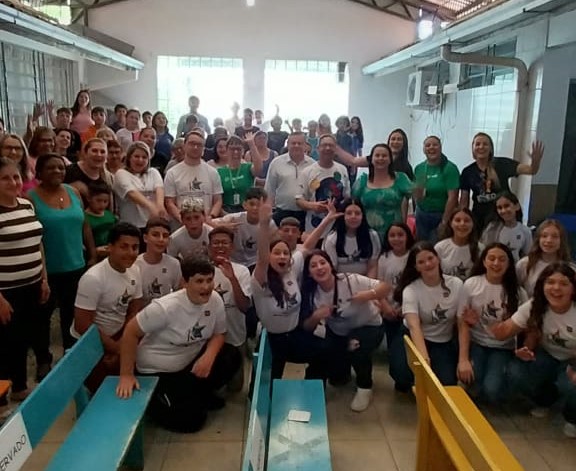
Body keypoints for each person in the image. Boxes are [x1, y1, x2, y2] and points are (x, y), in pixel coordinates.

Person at [116, 256, 241, 433]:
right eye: (199, 281)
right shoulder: (164, 308)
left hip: (189, 361)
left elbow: (220, 333)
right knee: (192, 422)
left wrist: (208, 356)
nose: (206, 287)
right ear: (185, 283)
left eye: (209, 280)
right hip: (159, 370)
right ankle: (154, 403)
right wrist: (126, 375)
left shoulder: (215, 300)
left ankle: (198, 395)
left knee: (231, 355)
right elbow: (130, 332)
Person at [252, 198, 340, 379]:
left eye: (285, 253)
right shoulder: (260, 278)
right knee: (266, 382)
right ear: (269, 256)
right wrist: (264, 224)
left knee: (325, 350)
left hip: (294, 335)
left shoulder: (291, 268)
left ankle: (310, 388)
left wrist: (328, 218)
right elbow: (261, 258)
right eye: (277, 253)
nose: (282, 256)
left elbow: (308, 245)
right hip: (272, 339)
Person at [490, 262, 576, 438]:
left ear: (573, 288)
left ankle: (572, 417)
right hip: (546, 355)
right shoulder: (534, 305)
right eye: (550, 282)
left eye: (563, 283)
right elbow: (502, 333)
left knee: (569, 384)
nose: (556, 288)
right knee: (517, 371)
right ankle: (544, 400)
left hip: (572, 359)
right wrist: (485, 321)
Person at [28, 153, 96, 372]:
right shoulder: (30, 198)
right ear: (39, 172)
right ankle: (43, 360)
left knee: (71, 315)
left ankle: (70, 355)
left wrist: (92, 254)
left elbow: (84, 225)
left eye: (60, 167)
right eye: (51, 168)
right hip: (46, 271)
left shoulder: (73, 192)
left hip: (76, 266)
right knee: (42, 317)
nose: (57, 171)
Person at [300, 250, 389, 411]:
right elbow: (307, 327)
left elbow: (385, 287)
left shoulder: (350, 280)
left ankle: (365, 387)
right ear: (309, 273)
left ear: (331, 266)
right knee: (337, 377)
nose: (319, 268)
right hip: (339, 333)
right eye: (313, 266)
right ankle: (315, 390)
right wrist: (316, 316)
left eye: (323, 263)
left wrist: (368, 295)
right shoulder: (311, 293)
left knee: (355, 344)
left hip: (369, 326)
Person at [0, 157, 49, 405]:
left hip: (31, 285)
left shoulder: (26, 205)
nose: (13, 182)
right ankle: (1, 398)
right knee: (4, 345)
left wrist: (43, 278)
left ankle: (19, 387)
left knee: (22, 340)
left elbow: (37, 243)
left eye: (16, 177)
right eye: (5, 178)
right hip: (5, 291)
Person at [73, 222, 143, 391]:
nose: (130, 253)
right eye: (124, 247)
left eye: (135, 247)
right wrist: (116, 348)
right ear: (110, 247)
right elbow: (82, 325)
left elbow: (134, 309)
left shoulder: (135, 270)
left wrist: (123, 343)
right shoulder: (93, 278)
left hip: (119, 335)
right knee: (103, 390)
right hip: (91, 341)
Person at [457, 243, 526, 404]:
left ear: (509, 264)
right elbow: (462, 323)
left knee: (491, 390)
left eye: (502, 259)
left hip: (503, 347)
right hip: (477, 342)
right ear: (484, 261)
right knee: (472, 381)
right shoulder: (471, 284)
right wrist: (463, 359)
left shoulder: (518, 292)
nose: (496, 263)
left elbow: (524, 326)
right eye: (491, 258)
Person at [393, 241, 463, 386]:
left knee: (447, 382)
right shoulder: (411, 290)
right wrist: (424, 361)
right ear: (416, 267)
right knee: (402, 375)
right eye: (421, 262)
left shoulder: (457, 284)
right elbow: (414, 327)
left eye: (430, 258)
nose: (428, 264)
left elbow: (461, 322)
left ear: (438, 259)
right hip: (414, 336)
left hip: (443, 340)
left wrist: (463, 359)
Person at [459, 133, 544, 231]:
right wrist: (463, 219)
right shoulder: (468, 172)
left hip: (504, 215)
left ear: (491, 148)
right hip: (481, 218)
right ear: (473, 149)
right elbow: (464, 201)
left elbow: (531, 170)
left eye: (485, 144)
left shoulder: (502, 164)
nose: (481, 147)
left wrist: (535, 162)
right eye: (477, 144)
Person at [207, 227, 251, 391]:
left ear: (232, 247)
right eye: (216, 243)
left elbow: (244, 307)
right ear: (209, 246)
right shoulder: (202, 270)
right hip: (208, 337)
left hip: (235, 335)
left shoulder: (242, 271)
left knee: (236, 387)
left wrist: (232, 279)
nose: (220, 246)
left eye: (225, 243)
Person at [377, 223, 415, 391]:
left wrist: (404, 308)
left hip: (408, 310)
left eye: (400, 235)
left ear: (407, 236)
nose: (396, 239)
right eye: (392, 235)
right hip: (388, 309)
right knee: (393, 345)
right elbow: (379, 284)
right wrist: (385, 306)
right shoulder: (384, 258)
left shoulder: (413, 256)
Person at [352, 143, 412, 241]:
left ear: (390, 160)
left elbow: (418, 196)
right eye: (377, 155)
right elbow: (352, 204)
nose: (381, 158)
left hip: (394, 235)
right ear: (371, 159)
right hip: (367, 233)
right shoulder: (362, 181)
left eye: (384, 156)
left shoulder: (401, 178)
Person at [164, 130, 223, 224]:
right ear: (184, 146)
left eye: (199, 145)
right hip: (181, 224)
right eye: (192, 144)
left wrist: (210, 217)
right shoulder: (172, 173)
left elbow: (218, 200)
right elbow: (169, 202)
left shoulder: (213, 172)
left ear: (203, 148)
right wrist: (184, 219)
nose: (195, 147)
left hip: (207, 224)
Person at [296, 134, 350, 232]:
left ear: (335, 149)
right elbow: (299, 200)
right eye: (324, 145)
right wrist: (313, 206)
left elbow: (347, 197)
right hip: (314, 229)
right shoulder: (307, 172)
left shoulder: (342, 170)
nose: (327, 148)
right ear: (318, 149)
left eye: (331, 145)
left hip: (338, 227)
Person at [213, 187, 276, 269]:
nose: (255, 208)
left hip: (256, 263)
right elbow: (207, 223)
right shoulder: (233, 218)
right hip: (232, 262)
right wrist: (221, 227)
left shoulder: (269, 224)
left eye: (259, 205)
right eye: (252, 204)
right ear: (244, 205)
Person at [413, 136, 460, 242]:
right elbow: (417, 195)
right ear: (423, 149)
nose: (431, 147)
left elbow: (453, 198)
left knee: (437, 246)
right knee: (421, 246)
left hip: (441, 215)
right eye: (428, 145)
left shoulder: (450, 168)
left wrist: (444, 222)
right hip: (421, 214)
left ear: (440, 147)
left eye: (435, 145)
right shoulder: (419, 168)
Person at [265, 132, 315, 229]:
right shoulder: (276, 163)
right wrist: (267, 215)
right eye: (293, 143)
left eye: (299, 143)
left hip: (305, 214)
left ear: (305, 145)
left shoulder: (313, 165)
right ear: (287, 144)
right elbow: (269, 190)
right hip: (282, 213)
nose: (296, 146)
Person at [113, 142, 165, 233]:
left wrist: (160, 207)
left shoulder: (153, 172)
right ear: (129, 158)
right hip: (130, 226)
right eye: (136, 156)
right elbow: (132, 193)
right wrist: (152, 207)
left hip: (152, 225)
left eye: (144, 157)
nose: (140, 160)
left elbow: (159, 189)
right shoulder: (121, 174)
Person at [323, 198, 380, 277]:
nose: (353, 217)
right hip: (340, 281)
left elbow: (372, 267)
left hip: (365, 281)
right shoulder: (332, 239)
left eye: (357, 213)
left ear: (362, 216)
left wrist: (368, 283)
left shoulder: (372, 236)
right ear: (342, 216)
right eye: (349, 213)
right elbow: (332, 270)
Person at [516, 219, 572, 297]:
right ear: (538, 239)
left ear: (561, 240)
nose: (549, 240)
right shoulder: (524, 264)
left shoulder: (570, 268)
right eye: (544, 236)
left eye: (555, 236)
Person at [134, 217, 182, 306]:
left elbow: (179, 295)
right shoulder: (135, 265)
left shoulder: (174, 264)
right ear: (145, 238)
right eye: (155, 235)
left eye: (165, 236)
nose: (161, 239)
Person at [481, 192, 532, 262]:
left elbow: (528, 256)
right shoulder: (492, 228)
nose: (503, 210)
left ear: (517, 206)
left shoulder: (525, 231)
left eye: (507, 206)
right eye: (500, 208)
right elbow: (484, 252)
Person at [217, 135, 263, 214]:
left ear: (243, 151)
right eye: (232, 149)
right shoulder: (219, 171)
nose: (235, 152)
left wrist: (252, 145)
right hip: (226, 211)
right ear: (227, 150)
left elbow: (259, 169)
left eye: (238, 149)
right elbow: (217, 198)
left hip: (247, 210)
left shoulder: (248, 167)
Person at [65, 138, 114, 208]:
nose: (99, 154)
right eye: (94, 151)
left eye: (102, 152)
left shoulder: (108, 178)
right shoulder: (69, 171)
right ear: (85, 153)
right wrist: (70, 188)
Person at [435, 208, 481, 281]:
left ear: (473, 224)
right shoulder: (440, 247)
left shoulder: (480, 248)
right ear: (451, 223)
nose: (462, 224)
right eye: (457, 220)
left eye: (466, 221)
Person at [85, 182, 117, 261]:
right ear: (89, 198)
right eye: (98, 201)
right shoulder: (84, 217)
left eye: (105, 201)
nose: (102, 205)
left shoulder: (109, 215)